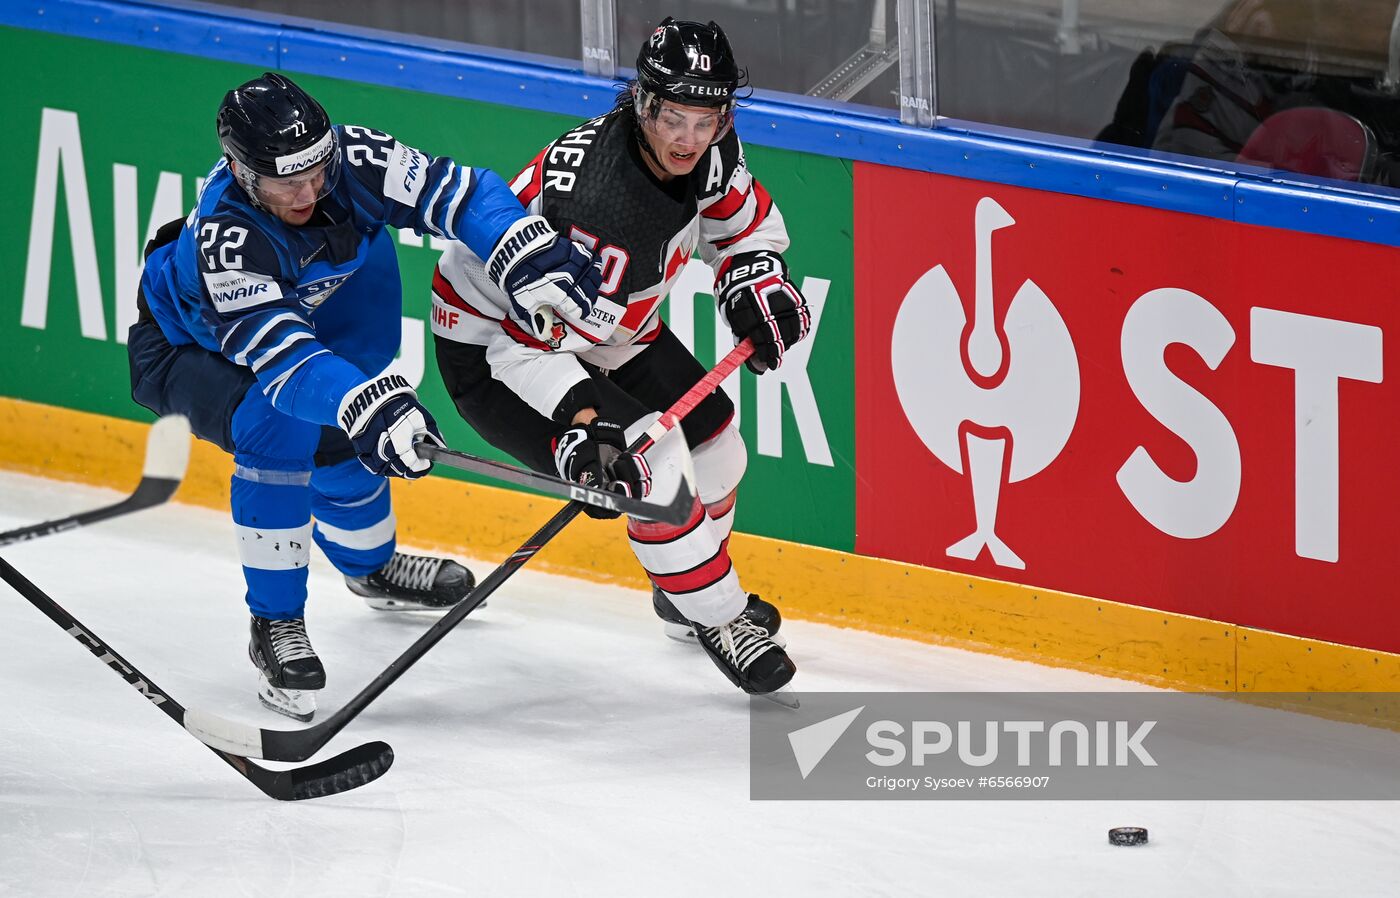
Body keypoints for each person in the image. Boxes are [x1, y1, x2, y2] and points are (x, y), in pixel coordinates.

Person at [127, 73, 602, 721]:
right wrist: (365, 405)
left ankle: (369, 567)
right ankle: (273, 625)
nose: (309, 191)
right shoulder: (229, 238)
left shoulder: (353, 158)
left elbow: (462, 192)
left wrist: (519, 250)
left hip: (314, 307)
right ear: (241, 174)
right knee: (284, 422)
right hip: (187, 351)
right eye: (285, 183)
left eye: (318, 170)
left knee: (352, 423)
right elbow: (288, 366)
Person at [431, 19, 811, 696]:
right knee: (655, 468)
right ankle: (720, 617)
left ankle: (684, 594)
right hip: (497, 347)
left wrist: (755, 281)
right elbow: (527, 346)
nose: (689, 139)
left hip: (602, 327)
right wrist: (584, 426)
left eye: (707, 118)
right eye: (673, 117)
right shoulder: (598, 208)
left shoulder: (709, 149)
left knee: (720, 450)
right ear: (642, 101)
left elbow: (739, 228)